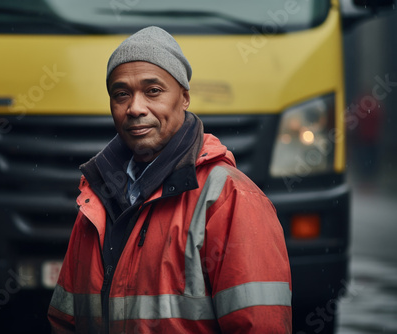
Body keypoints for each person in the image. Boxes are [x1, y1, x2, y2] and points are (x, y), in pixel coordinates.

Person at [48, 26, 292, 333]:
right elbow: (64, 322)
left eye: (153, 91)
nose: (135, 108)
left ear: (185, 98)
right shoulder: (94, 201)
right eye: (121, 94)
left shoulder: (230, 199)